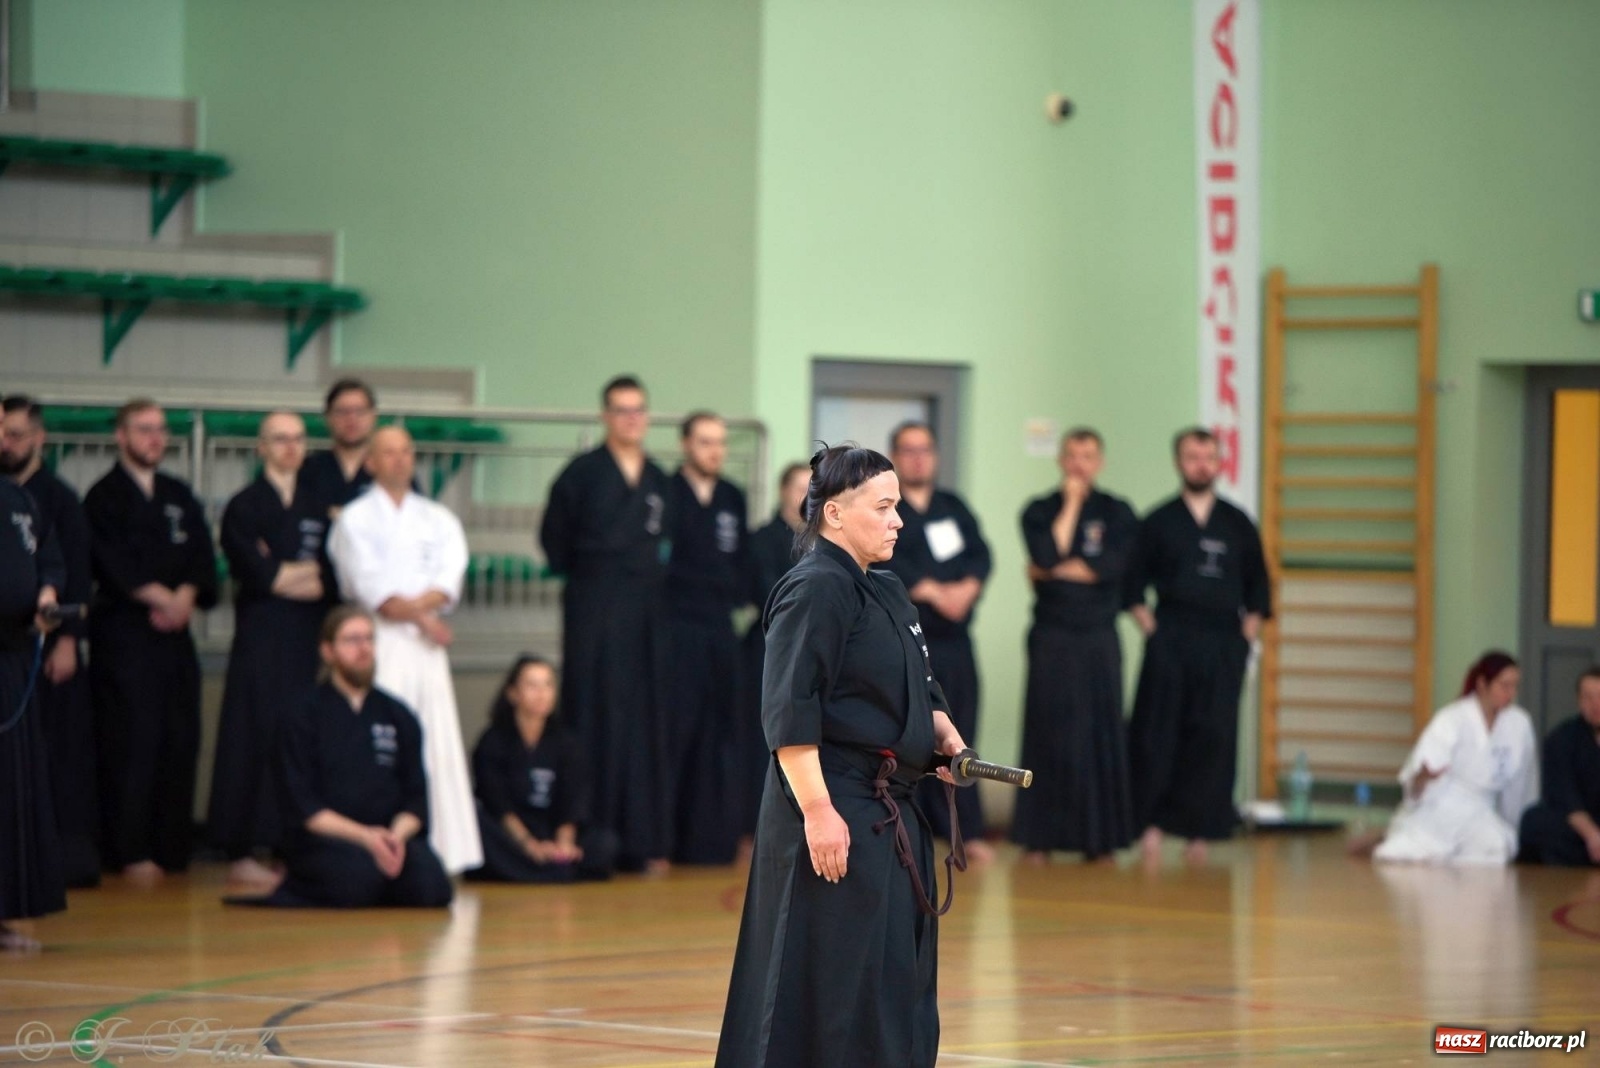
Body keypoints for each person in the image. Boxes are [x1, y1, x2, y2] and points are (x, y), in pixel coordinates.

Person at [715, 444, 968, 1068]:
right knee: (827, 978)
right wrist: (819, 811)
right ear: (833, 513)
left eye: (898, 507)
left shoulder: (884, 588)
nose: (897, 520)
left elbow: (919, 684)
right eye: (883, 507)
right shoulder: (814, 589)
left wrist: (940, 733)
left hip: (888, 813)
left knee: (887, 974)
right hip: (834, 805)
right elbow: (790, 710)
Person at [327, 425, 481, 874]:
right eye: (388, 453)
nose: (399, 460)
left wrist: (422, 614)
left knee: (434, 740)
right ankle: (377, 846)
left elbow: (449, 578)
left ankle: (446, 850)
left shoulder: (439, 519)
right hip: (376, 644)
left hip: (426, 648)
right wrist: (421, 617)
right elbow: (371, 586)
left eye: (406, 452)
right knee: (383, 742)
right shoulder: (355, 518)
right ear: (370, 462)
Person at [538, 375, 673, 873]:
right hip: (593, 608)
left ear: (647, 416)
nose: (630, 418)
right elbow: (554, 544)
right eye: (620, 410)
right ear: (604, 416)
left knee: (642, 720)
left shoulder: (659, 479)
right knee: (592, 715)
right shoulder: (579, 475)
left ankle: (642, 840)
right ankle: (592, 838)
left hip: (646, 614)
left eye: (638, 410)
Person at [85, 399, 219, 881]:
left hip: (175, 639)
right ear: (122, 436)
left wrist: (183, 597)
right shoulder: (104, 497)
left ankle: (172, 847)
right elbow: (106, 560)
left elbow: (202, 557)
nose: (155, 439)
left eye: (161, 430)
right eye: (144, 430)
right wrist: (158, 597)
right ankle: (128, 849)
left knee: (179, 738)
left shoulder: (179, 495)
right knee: (131, 742)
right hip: (126, 636)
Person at [1125, 427, 1270, 865]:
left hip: (1222, 642)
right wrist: (1152, 630)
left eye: (1209, 456)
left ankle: (1200, 831)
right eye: (1192, 456)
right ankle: (1150, 825)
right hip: (1171, 638)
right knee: (1157, 733)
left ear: (1219, 462)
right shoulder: (1159, 520)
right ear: (1179, 462)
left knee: (1213, 736)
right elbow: (1132, 586)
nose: (1201, 464)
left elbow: (1259, 589)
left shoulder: (1238, 522)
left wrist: (1244, 640)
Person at [248, 605, 452, 908]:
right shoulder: (301, 714)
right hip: (331, 838)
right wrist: (365, 837)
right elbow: (303, 805)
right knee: (357, 881)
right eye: (352, 640)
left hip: (389, 834)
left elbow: (416, 796)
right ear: (328, 651)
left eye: (369, 639)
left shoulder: (398, 714)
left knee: (433, 887)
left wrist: (394, 837)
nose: (363, 648)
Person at [208, 412, 331, 886]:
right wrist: (293, 572)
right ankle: (240, 847)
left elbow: (331, 576)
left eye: (298, 439)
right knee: (251, 734)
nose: (289, 447)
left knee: (296, 738)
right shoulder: (243, 506)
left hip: (305, 640)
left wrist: (285, 571)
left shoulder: (318, 505)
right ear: (261, 448)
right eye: (279, 439)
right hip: (259, 638)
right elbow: (261, 576)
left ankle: (289, 844)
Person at [1011, 428, 1138, 864]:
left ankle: (1099, 841)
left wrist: (1059, 570)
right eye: (1072, 455)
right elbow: (1047, 557)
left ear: (1099, 461)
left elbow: (1111, 568)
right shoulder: (1040, 509)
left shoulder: (1118, 512)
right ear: (1061, 461)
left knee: (1101, 732)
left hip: (1099, 634)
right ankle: (1039, 839)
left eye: (1088, 456)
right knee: (1048, 731)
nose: (1080, 463)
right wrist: (1070, 506)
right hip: (1052, 635)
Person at [884, 422, 995, 863]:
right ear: (894, 455)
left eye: (924, 449)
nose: (917, 458)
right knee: (912, 734)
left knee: (960, 731)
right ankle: (910, 825)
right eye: (907, 450)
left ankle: (966, 829)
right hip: (910, 640)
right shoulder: (888, 506)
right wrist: (929, 590)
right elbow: (887, 561)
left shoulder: (953, 507)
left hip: (956, 640)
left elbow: (980, 555)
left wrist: (966, 589)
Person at [1, 395, 99, 887]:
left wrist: (54, 610)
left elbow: (60, 564)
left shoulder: (37, 498)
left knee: (26, 774)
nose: (5, 440)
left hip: (26, 650)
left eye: (11, 430)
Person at [664, 411, 749, 864]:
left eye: (720, 442)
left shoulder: (732, 496)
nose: (714, 451)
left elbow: (738, 567)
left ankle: (715, 838)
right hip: (676, 630)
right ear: (685, 444)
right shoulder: (666, 492)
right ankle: (665, 838)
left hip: (720, 628)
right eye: (704, 442)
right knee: (677, 730)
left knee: (721, 733)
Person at [1371, 652, 1538, 865]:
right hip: (1445, 805)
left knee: (1497, 848)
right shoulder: (1452, 718)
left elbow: (1521, 784)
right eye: (1504, 686)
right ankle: (1390, 835)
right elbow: (1421, 774)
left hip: (1481, 811)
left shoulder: (1519, 723)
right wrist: (1423, 778)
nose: (1511, 693)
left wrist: (1514, 823)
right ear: (1482, 684)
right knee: (1399, 853)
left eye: (1515, 686)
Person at [465, 655, 617, 883]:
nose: (541, 693)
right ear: (513, 693)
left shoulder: (567, 743)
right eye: (532, 685)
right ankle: (554, 871)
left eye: (548, 685)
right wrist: (528, 843)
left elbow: (574, 798)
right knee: (477, 830)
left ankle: (544, 868)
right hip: (511, 833)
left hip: (551, 829)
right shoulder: (493, 741)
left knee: (605, 844)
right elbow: (495, 800)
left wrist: (564, 843)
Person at [0, 474, 67, 950]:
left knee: (8, 791)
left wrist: (46, 592)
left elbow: (48, 555)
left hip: (13, 654)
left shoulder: (19, 496)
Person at [736, 462, 810, 846]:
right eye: (798, 486)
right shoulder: (762, 539)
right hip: (769, 651)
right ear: (782, 491)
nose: (805, 494)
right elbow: (767, 592)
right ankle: (754, 826)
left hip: (812, 655)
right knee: (762, 740)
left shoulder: (825, 543)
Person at [1518, 667, 1600, 866]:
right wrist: (1593, 836)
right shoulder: (1561, 738)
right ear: (1578, 700)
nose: (1595, 704)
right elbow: (1565, 796)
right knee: (1534, 821)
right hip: (1579, 825)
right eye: (1587, 697)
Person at [300, 378, 379, 520]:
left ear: (373, 416)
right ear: (328, 417)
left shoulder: (390, 469)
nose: (351, 418)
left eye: (359, 411)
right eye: (343, 412)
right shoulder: (307, 469)